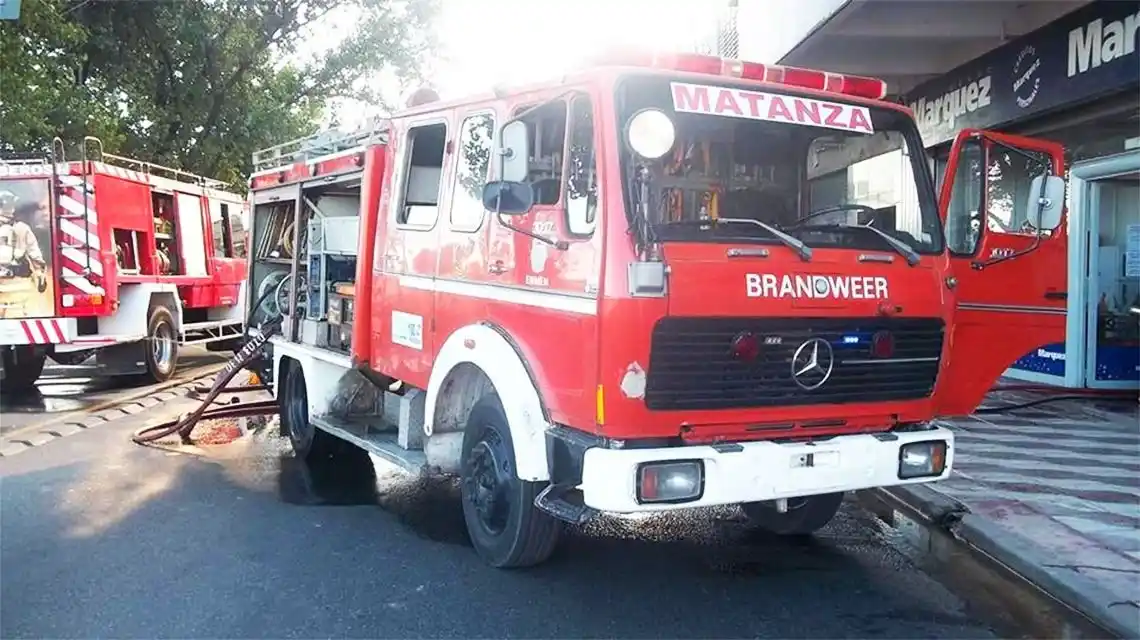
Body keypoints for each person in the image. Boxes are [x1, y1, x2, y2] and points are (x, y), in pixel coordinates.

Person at [0, 193, 47, 279]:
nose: (13, 208)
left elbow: (34, 252)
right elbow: (34, 252)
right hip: (18, 280)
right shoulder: (22, 227)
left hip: (17, 277)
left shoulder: (22, 227)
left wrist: (39, 272)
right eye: (11, 205)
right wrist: (40, 272)